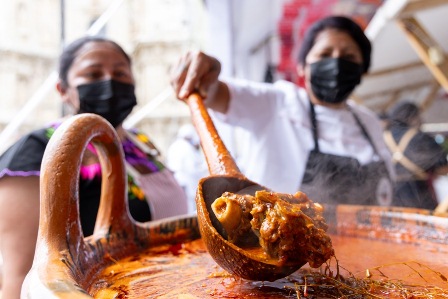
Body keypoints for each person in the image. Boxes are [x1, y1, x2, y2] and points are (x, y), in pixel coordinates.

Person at [0, 36, 188, 299]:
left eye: (120, 72)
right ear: (63, 90)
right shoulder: (35, 153)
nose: (110, 81)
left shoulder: (141, 143)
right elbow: (20, 277)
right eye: (93, 73)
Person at [170, 15, 395, 206]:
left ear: (362, 70)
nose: (336, 64)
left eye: (348, 57)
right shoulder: (277, 103)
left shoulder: (368, 122)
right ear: (302, 67)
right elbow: (215, 94)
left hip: (367, 250)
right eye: (324, 55)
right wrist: (205, 75)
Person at [383, 101, 448, 210]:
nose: (422, 121)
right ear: (412, 117)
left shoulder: (381, 137)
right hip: (418, 193)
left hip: (389, 195)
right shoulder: (420, 137)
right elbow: (442, 168)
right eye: (419, 116)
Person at [167, 123, 208, 213]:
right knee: (191, 209)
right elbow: (193, 170)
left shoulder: (174, 146)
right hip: (188, 184)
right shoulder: (187, 148)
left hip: (176, 183)